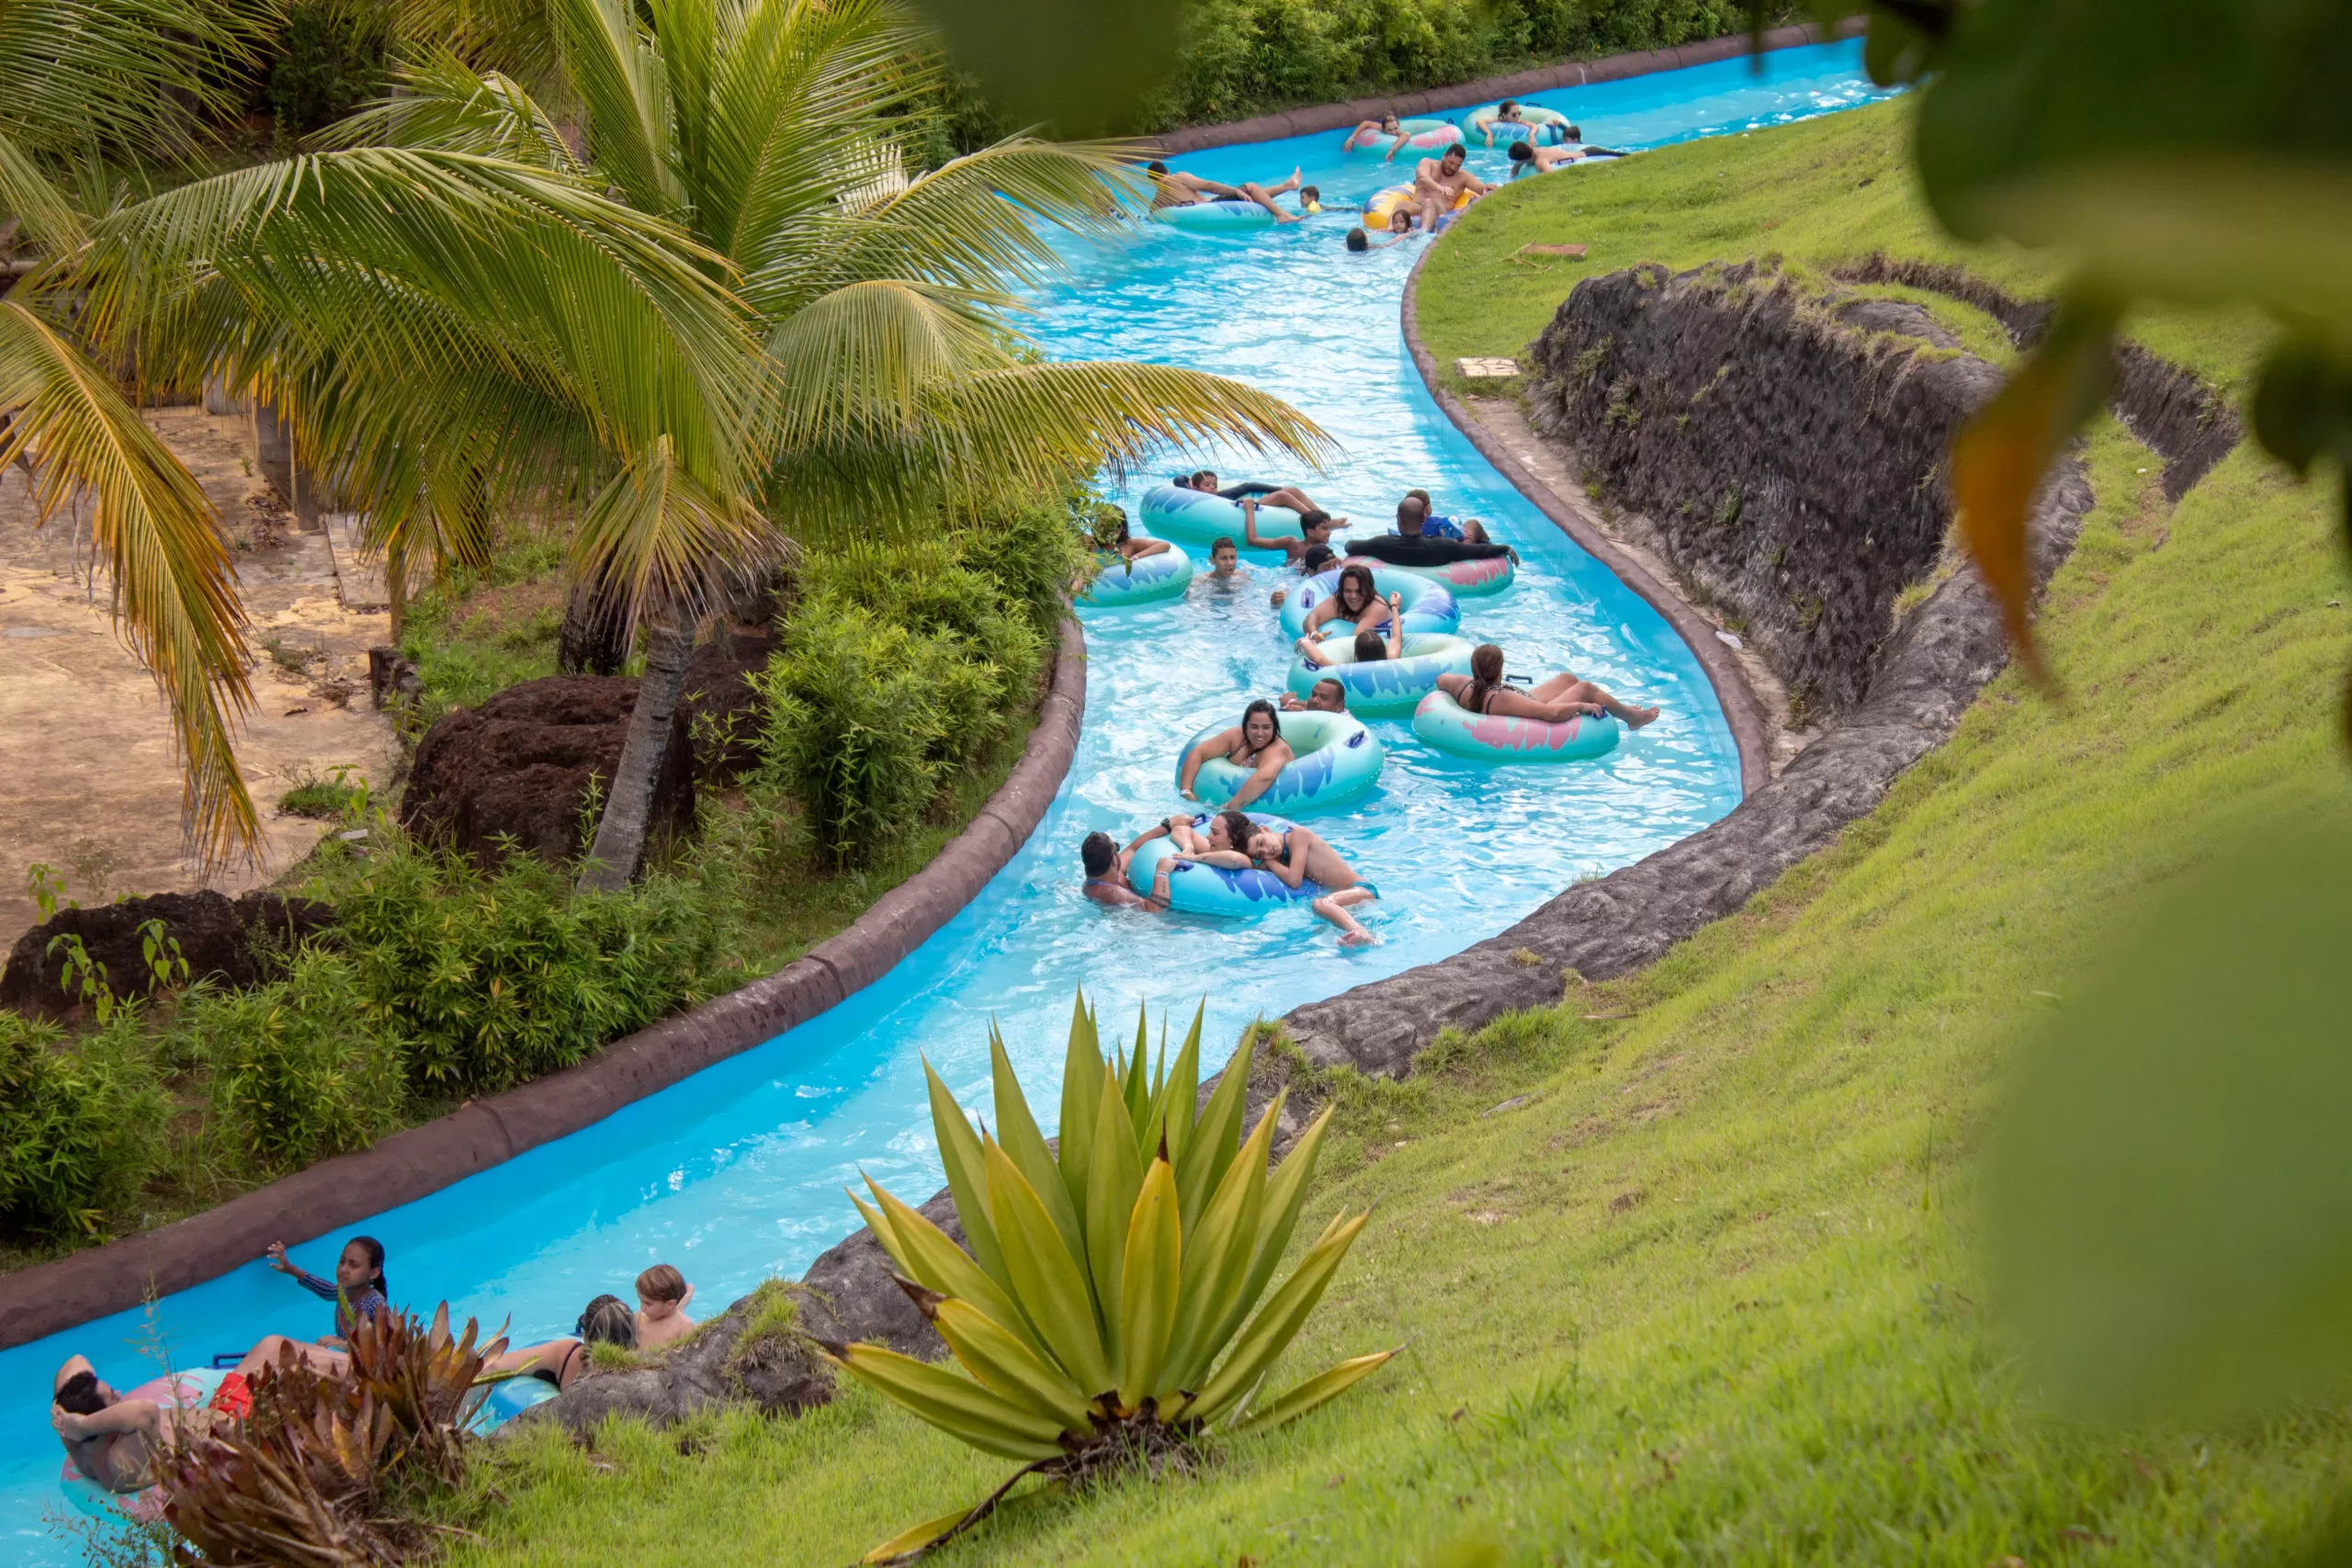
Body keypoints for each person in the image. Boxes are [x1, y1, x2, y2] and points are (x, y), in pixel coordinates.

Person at [1187, 822, 1382, 945]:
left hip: (1362, 889)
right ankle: (1355, 936)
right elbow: (1236, 861)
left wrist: (1269, 863)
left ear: (1265, 829)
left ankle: (1362, 933)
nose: (1266, 851)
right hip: (1346, 900)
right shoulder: (1281, 854)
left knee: (1321, 904)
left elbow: (1294, 881)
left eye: (1262, 843)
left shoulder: (1298, 835)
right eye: (1259, 854)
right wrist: (1197, 854)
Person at [1437, 642, 1661, 728]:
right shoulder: (1500, 697)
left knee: (1567, 679)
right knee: (1585, 688)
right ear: (1499, 669)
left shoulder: (1463, 685)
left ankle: (1631, 715)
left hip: (1513, 699)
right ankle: (1633, 718)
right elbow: (1552, 714)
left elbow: (1441, 680)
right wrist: (1581, 706)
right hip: (1517, 705)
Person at [265, 1235, 389, 1347]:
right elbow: (324, 1289)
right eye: (342, 1261)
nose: (343, 1269)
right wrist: (289, 1268)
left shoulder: (375, 1304)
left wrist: (345, 1345)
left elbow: (383, 1343)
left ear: (373, 1273)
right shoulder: (343, 1292)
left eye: (354, 1265)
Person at [1179, 698, 1295, 810]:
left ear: (1274, 727)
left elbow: (1265, 777)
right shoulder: (1237, 737)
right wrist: (1186, 791)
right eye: (1254, 727)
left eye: (1266, 727)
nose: (1260, 733)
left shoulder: (1277, 749)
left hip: (1271, 810)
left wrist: (1229, 807)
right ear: (1246, 726)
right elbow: (1197, 753)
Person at [1352, 497, 1517, 569]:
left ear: (1399, 520)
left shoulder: (1382, 544)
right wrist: (1505, 548)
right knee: (1472, 525)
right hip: (1445, 586)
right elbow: (1480, 550)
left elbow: (1351, 546)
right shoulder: (1443, 546)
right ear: (1425, 519)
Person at [1145, 160, 1308, 224]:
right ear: (1167, 171)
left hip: (1197, 217)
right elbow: (1208, 185)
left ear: (1153, 181)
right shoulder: (1178, 177)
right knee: (1250, 187)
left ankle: (1287, 186)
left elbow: (1151, 217)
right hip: (1212, 207)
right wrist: (1235, 191)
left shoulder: (1157, 200)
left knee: (1253, 194)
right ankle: (1281, 214)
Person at [1297, 562, 1397, 643]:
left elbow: (1355, 642)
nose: (1353, 596)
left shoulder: (1377, 608)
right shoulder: (1339, 599)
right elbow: (1312, 617)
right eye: (1348, 591)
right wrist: (1314, 634)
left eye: (1359, 591)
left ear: (1368, 590)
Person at [1410, 144, 1490, 232]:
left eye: (1457, 166)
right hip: (1417, 207)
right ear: (1444, 156)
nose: (1453, 168)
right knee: (1401, 206)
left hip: (1440, 212)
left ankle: (1423, 234)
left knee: (1429, 202)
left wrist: (1490, 186)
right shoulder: (1427, 163)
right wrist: (1439, 188)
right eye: (1451, 162)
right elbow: (1423, 177)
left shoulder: (1463, 177)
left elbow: (1484, 190)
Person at [1242, 498, 1347, 562]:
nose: (1329, 532)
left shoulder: (1292, 544)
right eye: (1324, 528)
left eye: (1329, 528)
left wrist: (1249, 509)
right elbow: (1252, 540)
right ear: (1310, 532)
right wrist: (1250, 510)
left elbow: (1252, 540)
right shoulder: (1291, 543)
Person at [1402, 490, 1498, 545]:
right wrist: (1461, 535)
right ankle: (1489, 548)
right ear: (1427, 508)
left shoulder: (1404, 528)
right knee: (1473, 524)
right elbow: (1451, 538)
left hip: (1428, 551)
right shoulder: (1438, 523)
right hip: (1451, 555)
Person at [635, 1264, 696, 1349]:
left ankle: (685, 1299)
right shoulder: (640, 1316)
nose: (642, 1308)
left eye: (648, 1304)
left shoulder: (683, 1326)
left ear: (670, 1304)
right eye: (640, 1300)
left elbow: (690, 1355)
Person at [1297, 619, 1402, 670]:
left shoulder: (1348, 670)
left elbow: (1319, 659)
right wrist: (1395, 607)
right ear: (1383, 649)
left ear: (1356, 653)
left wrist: (1305, 641)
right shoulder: (1390, 661)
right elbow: (1396, 637)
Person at [1268, 543, 1338, 610]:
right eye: (1326, 567)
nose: (1333, 570)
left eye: (1335, 564)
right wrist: (1278, 602)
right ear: (1311, 572)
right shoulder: (1305, 589)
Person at [1096, 506, 1169, 561]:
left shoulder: (1129, 545)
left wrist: (1136, 557)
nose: (1103, 531)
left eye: (1110, 528)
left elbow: (1164, 545)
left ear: (1120, 529)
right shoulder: (1090, 542)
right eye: (1101, 525)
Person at [1341, 112, 1414, 162]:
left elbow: (1406, 134)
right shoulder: (1380, 128)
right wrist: (1351, 138)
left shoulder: (1398, 132)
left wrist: (1392, 150)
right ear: (1383, 129)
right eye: (1389, 130)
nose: (1393, 132)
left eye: (1396, 128)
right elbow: (1366, 123)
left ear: (1398, 126)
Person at [1281, 676, 1349, 714]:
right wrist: (1291, 701)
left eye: (1324, 697)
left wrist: (1303, 714)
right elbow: (1308, 704)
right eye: (1313, 694)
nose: (1315, 700)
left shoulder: (1346, 723)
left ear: (1339, 706)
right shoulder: (1322, 707)